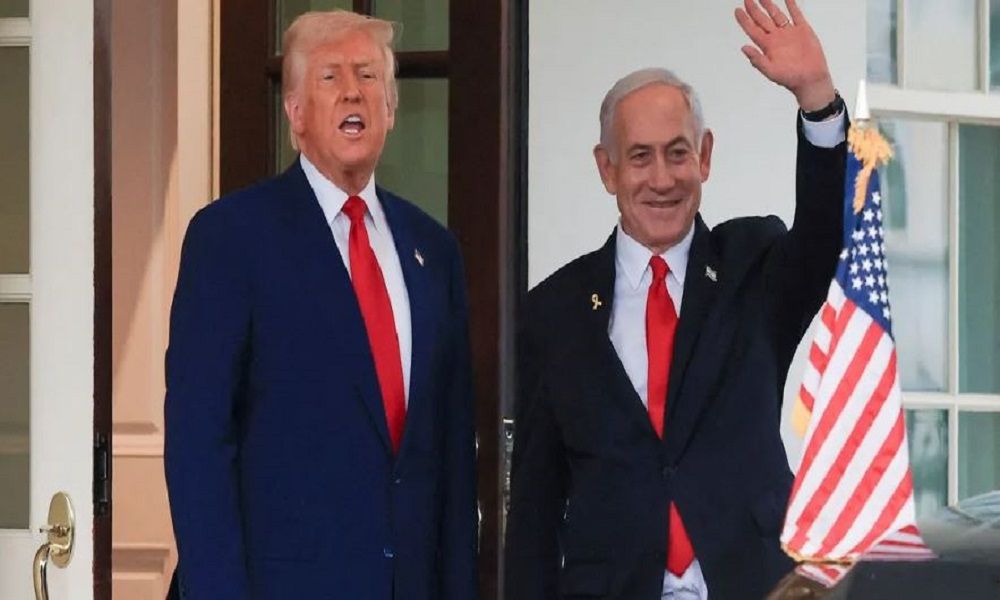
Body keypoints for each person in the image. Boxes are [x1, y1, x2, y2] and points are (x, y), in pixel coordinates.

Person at [504, 1, 848, 598]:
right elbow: (535, 508)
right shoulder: (554, 312)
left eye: (678, 152)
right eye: (640, 156)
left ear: (705, 156)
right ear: (607, 169)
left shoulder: (754, 267)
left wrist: (817, 99)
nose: (661, 179)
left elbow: (824, 233)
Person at [164, 10, 477, 599]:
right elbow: (198, 445)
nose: (353, 91)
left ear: (391, 108)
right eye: (331, 77)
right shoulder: (231, 237)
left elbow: (453, 457)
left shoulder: (433, 250)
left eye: (368, 75)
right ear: (296, 112)